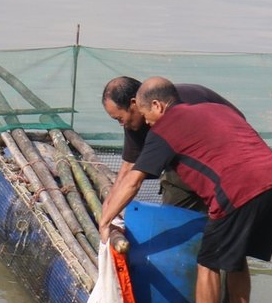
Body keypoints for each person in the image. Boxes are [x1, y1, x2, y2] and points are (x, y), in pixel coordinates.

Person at [99, 78, 272, 303]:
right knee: (235, 257)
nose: (149, 125)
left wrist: (105, 221)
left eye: (149, 117)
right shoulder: (214, 107)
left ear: (156, 105)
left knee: (208, 263)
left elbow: (133, 181)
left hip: (238, 190)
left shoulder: (166, 127)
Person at [97, 75, 242, 216]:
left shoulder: (182, 105)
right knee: (173, 213)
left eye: (120, 118)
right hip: (182, 164)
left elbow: (134, 181)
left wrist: (107, 220)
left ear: (134, 103)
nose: (121, 124)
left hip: (225, 160)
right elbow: (128, 166)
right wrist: (109, 206)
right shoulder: (133, 123)